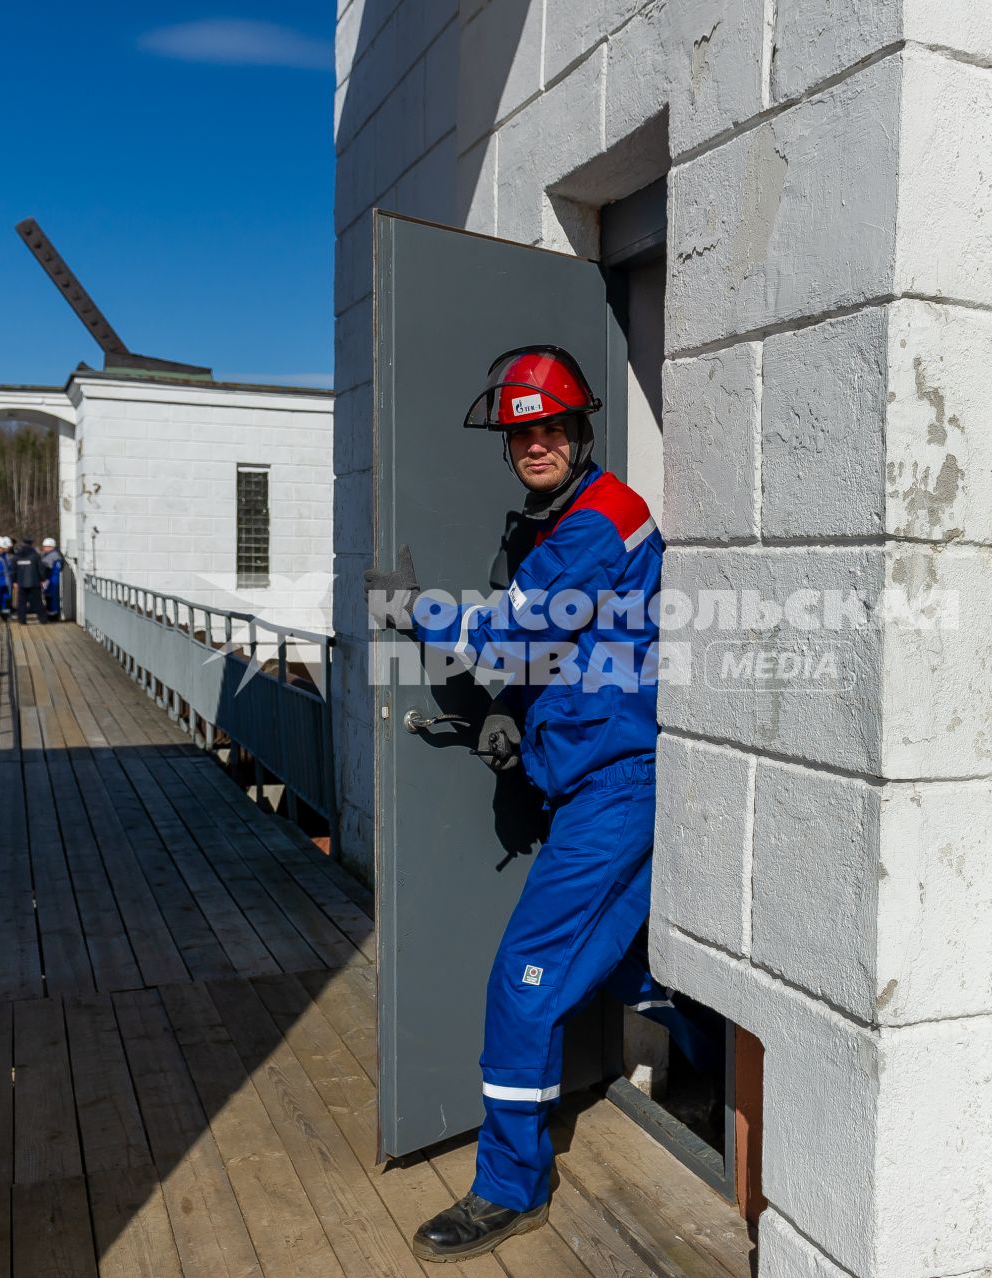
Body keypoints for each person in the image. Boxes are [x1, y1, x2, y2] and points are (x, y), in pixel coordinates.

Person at [366, 346, 719, 1263]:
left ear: (582, 431)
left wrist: (417, 612)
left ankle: (508, 1188)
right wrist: (519, 719)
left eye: (550, 427)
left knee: (521, 983)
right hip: (599, 779)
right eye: (522, 432)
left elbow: (516, 630)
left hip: (616, 787)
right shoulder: (558, 523)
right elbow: (562, 651)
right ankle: (716, 1091)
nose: (535, 444)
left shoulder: (598, 521)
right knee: (642, 970)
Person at [10, 537, 43, 624]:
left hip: (21, 583)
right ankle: (43, 619)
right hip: (34, 582)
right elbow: (41, 569)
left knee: (21, 603)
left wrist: (14, 581)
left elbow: (13, 570)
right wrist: (42, 579)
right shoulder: (35, 555)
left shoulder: (17, 556)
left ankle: (22, 620)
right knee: (38, 601)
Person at [40, 537, 64, 620]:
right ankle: (50, 613)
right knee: (47, 597)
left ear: (51, 547)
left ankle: (53, 615)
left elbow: (56, 570)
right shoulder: (45, 555)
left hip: (52, 580)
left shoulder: (56, 556)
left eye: (46, 547)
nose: (44, 548)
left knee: (52, 597)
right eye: (44, 546)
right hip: (47, 579)